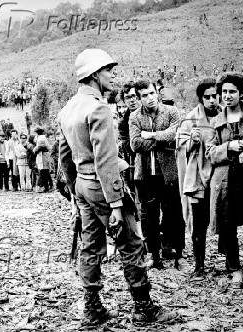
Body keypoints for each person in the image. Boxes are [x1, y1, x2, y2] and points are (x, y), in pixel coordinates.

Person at [59, 49, 177, 327]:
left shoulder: (68, 108)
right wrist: (114, 204)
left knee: (90, 245)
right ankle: (144, 307)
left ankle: (93, 308)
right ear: (94, 74)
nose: (113, 75)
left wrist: (74, 191)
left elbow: (64, 157)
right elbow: (106, 160)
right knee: (131, 244)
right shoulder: (98, 107)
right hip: (104, 187)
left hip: (83, 185)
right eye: (108, 70)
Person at [205, 72, 243, 288]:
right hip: (226, 181)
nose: (227, 96)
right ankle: (235, 270)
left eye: (232, 91)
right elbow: (210, 152)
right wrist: (228, 148)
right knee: (228, 226)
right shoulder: (216, 121)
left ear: (242, 93)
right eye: (224, 92)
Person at [129, 79, 186, 270]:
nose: (150, 98)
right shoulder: (134, 117)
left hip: (169, 173)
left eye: (152, 93)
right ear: (139, 98)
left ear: (157, 93)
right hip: (146, 175)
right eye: (144, 95)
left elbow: (175, 133)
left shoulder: (171, 112)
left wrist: (151, 135)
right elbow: (135, 144)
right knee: (149, 217)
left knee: (174, 214)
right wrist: (161, 140)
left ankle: (178, 254)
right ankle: (154, 255)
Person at [176, 78, 221, 280]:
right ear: (201, 99)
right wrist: (191, 143)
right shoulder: (190, 119)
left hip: (220, 176)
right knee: (199, 223)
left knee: (225, 220)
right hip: (199, 178)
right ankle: (199, 265)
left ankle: (231, 262)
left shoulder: (225, 115)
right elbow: (180, 147)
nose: (212, 100)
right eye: (207, 97)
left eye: (215, 96)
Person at [34, 127, 53, 192]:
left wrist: (34, 151)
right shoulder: (42, 137)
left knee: (43, 172)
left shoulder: (41, 138)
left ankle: (42, 187)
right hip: (42, 155)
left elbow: (39, 147)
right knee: (45, 172)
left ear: (37, 133)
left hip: (43, 156)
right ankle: (48, 186)